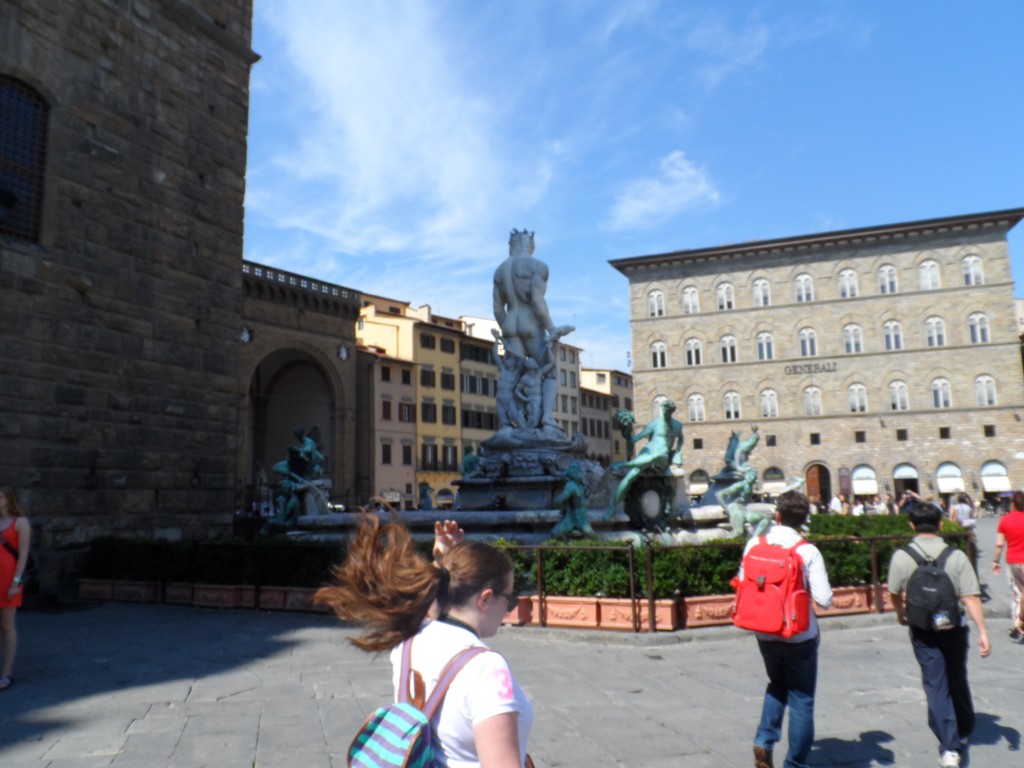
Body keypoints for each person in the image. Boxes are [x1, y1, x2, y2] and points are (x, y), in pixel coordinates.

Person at [315, 515, 532, 767]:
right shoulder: (488, 670)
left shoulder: (409, 640)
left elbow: (433, 604)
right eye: (510, 600)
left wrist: (447, 565)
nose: (509, 610)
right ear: (485, 599)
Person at [887, 499, 990, 767]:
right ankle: (963, 727)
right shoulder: (956, 556)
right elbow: (971, 597)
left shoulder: (902, 555)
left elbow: (894, 592)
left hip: (922, 629)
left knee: (935, 684)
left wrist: (901, 614)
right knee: (957, 676)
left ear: (911, 525)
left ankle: (949, 747)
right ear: (941, 524)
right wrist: (983, 632)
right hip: (953, 627)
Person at [745, 491, 833, 768]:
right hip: (799, 635)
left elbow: (741, 581)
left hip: (764, 631)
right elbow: (824, 599)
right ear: (803, 520)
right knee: (802, 698)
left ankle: (763, 740)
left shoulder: (754, 545)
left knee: (777, 684)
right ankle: (795, 763)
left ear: (777, 516)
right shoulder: (807, 551)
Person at [606, 399, 683, 518]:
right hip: (647, 453)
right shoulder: (655, 423)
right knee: (630, 476)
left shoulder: (677, 425)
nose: (663, 411)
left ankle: (625, 465)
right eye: (662, 409)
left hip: (661, 456)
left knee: (657, 456)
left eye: (666, 410)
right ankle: (612, 508)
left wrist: (678, 451)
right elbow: (634, 439)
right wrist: (625, 428)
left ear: (671, 411)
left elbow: (681, 438)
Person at [0, 486, 31, 691]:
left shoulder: (20, 522)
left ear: (8, 499)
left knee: (7, 626)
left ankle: (7, 672)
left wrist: (16, 581)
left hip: (8, 579)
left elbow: (23, 554)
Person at [991, 489, 1024, 640]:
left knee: (1017, 593)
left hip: (1013, 560)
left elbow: (999, 545)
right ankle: (1020, 623)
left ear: (1012, 504)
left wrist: (996, 562)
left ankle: (1017, 623)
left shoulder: (1005, 520)